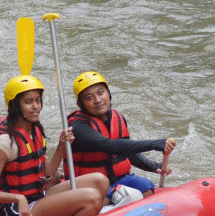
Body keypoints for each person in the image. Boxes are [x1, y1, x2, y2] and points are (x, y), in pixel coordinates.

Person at [0, 75, 109, 216]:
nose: (36, 106)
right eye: (29, 102)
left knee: (101, 181)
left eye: (38, 100)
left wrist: (61, 147)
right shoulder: (5, 142)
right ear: (15, 106)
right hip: (15, 210)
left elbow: (46, 175)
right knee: (91, 198)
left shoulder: (34, 130)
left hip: (37, 196)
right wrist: (18, 199)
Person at [67, 71, 175, 203]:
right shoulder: (77, 126)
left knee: (146, 187)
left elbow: (126, 151)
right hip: (91, 184)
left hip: (118, 179)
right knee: (104, 197)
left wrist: (153, 166)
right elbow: (109, 145)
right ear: (80, 104)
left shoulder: (117, 117)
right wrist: (154, 144)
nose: (97, 100)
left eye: (101, 93)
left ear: (108, 93)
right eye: (89, 98)